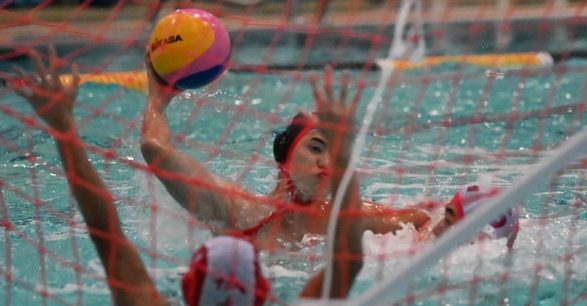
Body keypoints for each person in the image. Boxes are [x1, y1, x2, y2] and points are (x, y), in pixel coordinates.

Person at [10, 46, 364, 306]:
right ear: (261, 294)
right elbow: (347, 266)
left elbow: (104, 228)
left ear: (186, 286)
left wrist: (63, 127)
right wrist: (344, 151)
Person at [141, 58, 434, 251]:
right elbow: (156, 150)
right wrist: (157, 99)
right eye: (316, 147)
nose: (327, 163)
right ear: (285, 157)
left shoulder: (346, 217)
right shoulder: (238, 212)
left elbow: (427, 219)